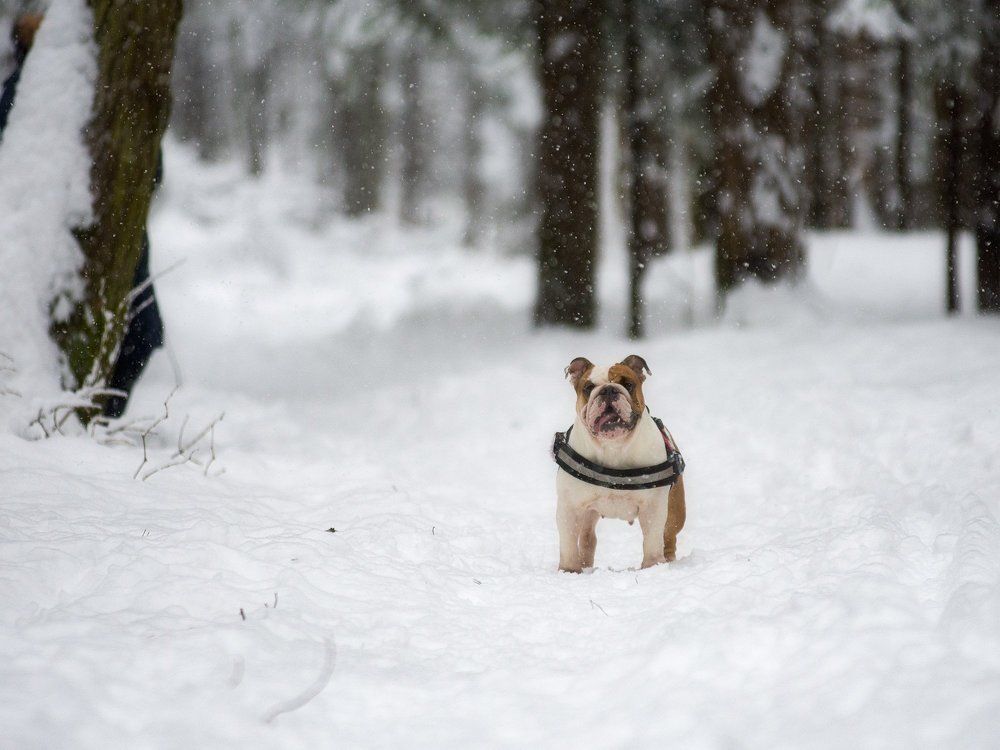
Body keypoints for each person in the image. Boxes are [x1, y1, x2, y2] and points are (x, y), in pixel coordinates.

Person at [1, 13, 165, 419]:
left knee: (141, 333)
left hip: (115, 237)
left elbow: (149, 170)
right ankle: (82, 420)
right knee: (106, 335)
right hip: (48, 244)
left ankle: (99, 418)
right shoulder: (19, 101)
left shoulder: (103, 86)